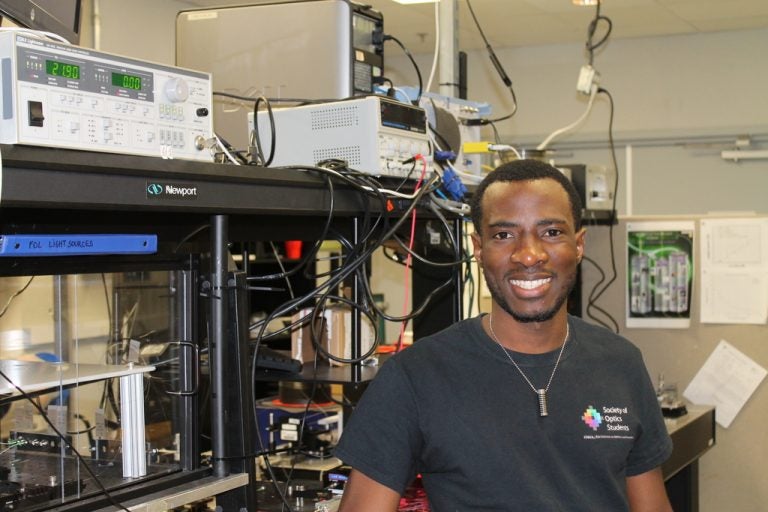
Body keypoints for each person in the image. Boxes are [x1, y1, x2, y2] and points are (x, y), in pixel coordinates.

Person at [334, 159, 673, 511]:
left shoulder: (621, 363)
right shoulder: (416, 375)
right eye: (503, 235)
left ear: (579, 244)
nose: (529, 255)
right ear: (478, 248)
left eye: (552, 232)